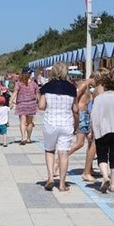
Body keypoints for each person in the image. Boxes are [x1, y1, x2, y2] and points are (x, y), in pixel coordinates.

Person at [38, 62, 77, 191]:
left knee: (49, 150)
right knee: (63, 153)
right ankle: (62, 184)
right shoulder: (72, 88)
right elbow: (75, 109)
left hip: (50, 123)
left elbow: (41, 106)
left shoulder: (47, 87)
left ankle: (50, 178)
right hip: (66, 123)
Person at [68, 75, 98, 183]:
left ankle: (89, 168)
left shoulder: (87, 87)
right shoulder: (84, 85)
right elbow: (74, 98)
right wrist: (76, 114)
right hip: (82, 115)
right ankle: (60, 159)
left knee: (91, 142)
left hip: (85, 115)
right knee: (80, 143)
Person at [11, 68, 39, 144]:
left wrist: (10, 101)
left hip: (21, 104)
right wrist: (39, 102)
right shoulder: (33, 83)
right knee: (30, 122)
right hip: (31, 104)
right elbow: (37, 93)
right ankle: (28, 138)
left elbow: (15, 92)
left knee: (22, 122)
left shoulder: (19, 83)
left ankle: (23, 138)